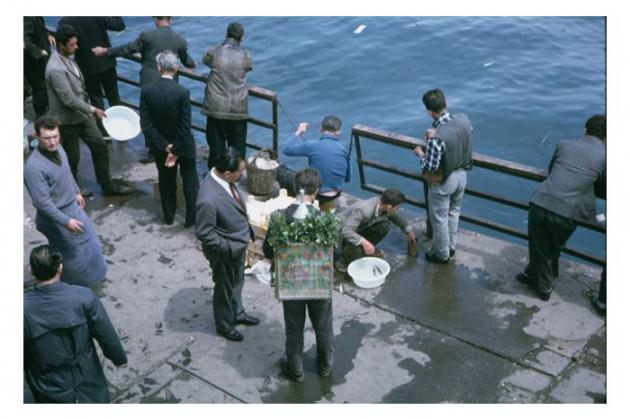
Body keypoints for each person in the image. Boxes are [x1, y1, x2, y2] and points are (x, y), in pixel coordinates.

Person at [516, 115, 606, 301]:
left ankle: (531, 274)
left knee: (541, 246)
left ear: (584, 130)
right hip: (567, 213)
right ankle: (544, 288)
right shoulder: (606, 157)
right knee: (549, 248)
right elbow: (603, 187)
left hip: (540, 203)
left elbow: (551, 171)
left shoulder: (563, 144)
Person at [24, 245, 127, 403]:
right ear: (60, 268)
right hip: (86, 374)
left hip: (48, 383)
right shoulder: (83, 296)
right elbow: (105, 333)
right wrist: (118, 358)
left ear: (31, 270)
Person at [262, 168, 334, 382]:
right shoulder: (323, 219)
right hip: (318, 283)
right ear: (317, 190)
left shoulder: (280, 218)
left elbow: (267, 250)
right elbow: (334, 252)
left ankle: (296, 370)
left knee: (294, 329)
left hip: (291, 283)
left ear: (294, 188)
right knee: (323, 327)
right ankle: (325, 366)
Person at [45, 24, 132, 197]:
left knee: (99, 147)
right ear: (60, 45)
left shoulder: (69, 58)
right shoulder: (55, 68)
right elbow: (68, 99)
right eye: (72, 44)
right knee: (72, 157)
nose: (76, 47)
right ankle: (73, 189)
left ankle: (107, 185)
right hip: (67, 119)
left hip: (83, 116)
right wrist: (93, 109)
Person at [24, 116, 109, 287]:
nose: (53, 142)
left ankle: (94, 277)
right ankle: (78, 286)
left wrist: (76, 191)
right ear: (37, 137)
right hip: (56, 217)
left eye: (55, 136)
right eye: (47, 138)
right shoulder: (34, 167)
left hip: (71, 206)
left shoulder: (59, 149)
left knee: (89, 242)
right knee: (74, 254)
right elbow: (42, 203)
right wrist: (66, 221)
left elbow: (67, 171)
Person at [195, 147, 258, 342]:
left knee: (237, 281)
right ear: (228, 173)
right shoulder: (208, 198)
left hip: (237, 244)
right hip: (224, 252)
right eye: (241, 171)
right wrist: (229, 248)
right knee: (224, 288)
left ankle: (238, 312)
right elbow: (205, 233)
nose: (243, 174)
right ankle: (224, 325)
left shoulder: (224, 181)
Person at [413, 88, 473, 263]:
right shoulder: (463, 120)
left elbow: (430, 167)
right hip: (462, 175)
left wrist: (420, 153)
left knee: (439, 219)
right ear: (445, 104)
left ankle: (442, 254)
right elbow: (466, 133)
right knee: (454, 212)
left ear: (429, 112)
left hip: (445, 181)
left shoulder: (437, 139)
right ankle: (451, 246)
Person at [140, 51, 199, 227]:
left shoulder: (147, 91)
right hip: (184, 145)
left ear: (158, 68)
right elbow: (185, 125)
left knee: (166, 181)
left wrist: (165, 147)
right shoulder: (182, 92)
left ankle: (169, 216)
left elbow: (146, 124)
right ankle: (191, 219)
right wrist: (175, 148)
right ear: (176, 68)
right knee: (190, 181)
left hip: (160, 147)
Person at [57, 16, 126, 138]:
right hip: (106, 63)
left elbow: (61, 38)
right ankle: (120, 129)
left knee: (96, 100)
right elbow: (119, 25)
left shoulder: (65, 21)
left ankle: (104, 133)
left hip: (86, 66)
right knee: (114, 97)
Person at [201, 22, 252, 170]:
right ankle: (235, 179)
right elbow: (248, 67)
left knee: (216, 148)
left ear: (226, 34)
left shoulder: (214, 51)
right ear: (241, 38)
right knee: (237, 149)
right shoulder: (246, 55)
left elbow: (205, 60)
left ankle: (215, 177)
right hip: (238, 109)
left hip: (216, 108)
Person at [92, 16, 196, 87]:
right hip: (170, 84)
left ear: (155, 19)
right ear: (170, 19)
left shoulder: (147, 36)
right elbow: (187, 62)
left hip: (148, 82)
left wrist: (105, 51)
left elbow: (127, 48)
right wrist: (193, 64)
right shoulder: (180, 40)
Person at [336, 189, 417, 272]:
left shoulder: (382, 204)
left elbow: (394, 217)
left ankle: (364, 250)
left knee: (384, 225)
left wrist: (409, 231)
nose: (398, 210)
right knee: (356, 245)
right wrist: (364, 242)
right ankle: (344, 260)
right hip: (342, 232)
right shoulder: (364, 210)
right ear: (389, 206)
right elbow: (347, 231)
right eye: (397, 207)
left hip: (358, 227)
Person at [282, 116, 350, 213]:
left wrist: (299, 132)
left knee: (283, 171)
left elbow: (286, 149)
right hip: (335, 195)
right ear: (338, 131)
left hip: (316, 194)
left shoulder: (311, 145)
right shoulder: (344, 150)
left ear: (321, 129)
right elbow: (347, 178)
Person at [24, 17, 56, 118]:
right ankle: (41, 120)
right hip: (35, 63)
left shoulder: (37, 17)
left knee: (45, 89)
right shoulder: (27, 18)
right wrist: (38, 52)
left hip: (42, 60)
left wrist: (48, 35)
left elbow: (41, 29)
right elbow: (25, 38)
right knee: (40, 91)